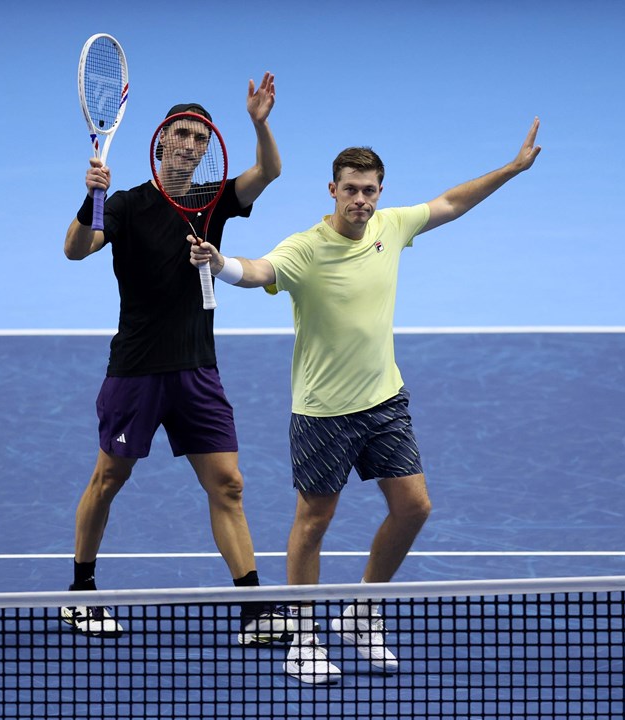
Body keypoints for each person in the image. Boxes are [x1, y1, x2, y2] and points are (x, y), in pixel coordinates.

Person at [187, 117, 542, 682]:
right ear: (332, 190)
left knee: (414, 507)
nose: (360, 199)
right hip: (323, 412)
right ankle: (304, 637)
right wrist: (220, 265)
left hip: (384, 402)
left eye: (369, 190)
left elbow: (452, 202)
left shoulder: (392, 227)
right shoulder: (305, 249)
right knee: (314, 521)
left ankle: (362, 611)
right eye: (350, 189)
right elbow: (259, 271)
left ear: (381, 192)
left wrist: (513, 169)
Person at [60, 72, 290, 646]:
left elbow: (270, 173)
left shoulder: (213, 205)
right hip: (136, 367)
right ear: (162, 142)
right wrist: (90, 197)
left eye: (199, 138)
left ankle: (254, 608)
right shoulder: (128, 205)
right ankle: (80, 592)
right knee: (108, 477)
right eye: (181, 135)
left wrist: (260, 124)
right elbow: (75, 250)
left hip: (196, 368)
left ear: (206, 149)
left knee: (228, 485)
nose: (190, 144)